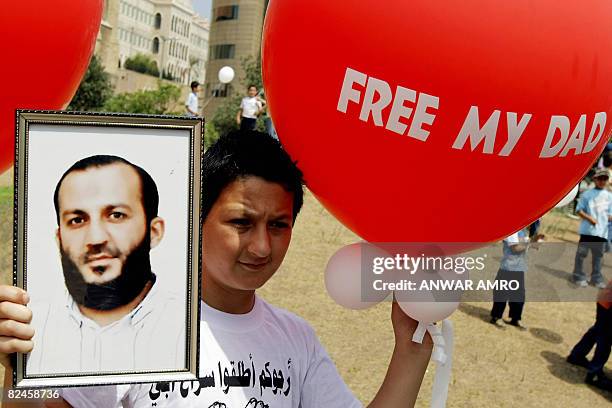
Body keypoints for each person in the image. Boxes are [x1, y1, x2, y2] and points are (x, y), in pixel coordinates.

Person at [0, 131, 432, 407]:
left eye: (278, 225)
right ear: (196, 219)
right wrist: (17, 375)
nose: (261, 246)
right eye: (241, 222)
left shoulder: (296, 339)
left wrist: (410, 352)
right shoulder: (122, 328)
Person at [19, 155, 185, 375]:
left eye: (116, 215)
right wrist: (15, 367)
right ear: (60, 239)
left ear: (154, 232)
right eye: (77, 220)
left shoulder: (191, 328)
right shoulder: (31, 328)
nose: (96, 238)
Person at [490, 227, 543, 330]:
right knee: (501, 294)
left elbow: (528, 245)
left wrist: (537, 241)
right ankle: (496, 317)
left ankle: (515, 318)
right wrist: (531, 243)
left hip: (519, 268)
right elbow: (516, 248)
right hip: (507, 268)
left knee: (518, 296)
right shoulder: (512, 230)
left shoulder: (523, 231)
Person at [566, 279, 612, 391]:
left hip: (605, 299)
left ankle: (576, 355)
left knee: (598, 330)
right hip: (609, 305)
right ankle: (594, 374)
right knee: (605, 340)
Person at [570, 168, 612, 289]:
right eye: (600, 178)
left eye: (605, 179)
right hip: (587, 231)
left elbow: (610, 215)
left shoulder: (609, 196)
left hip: (601, 232)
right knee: (582, 254)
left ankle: (596, 279)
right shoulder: (587, 194)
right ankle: (578, 276)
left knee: (598, 256)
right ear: (595, 179)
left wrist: (607, 219)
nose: (602, 181)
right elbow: (579, 210)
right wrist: (590, 218)